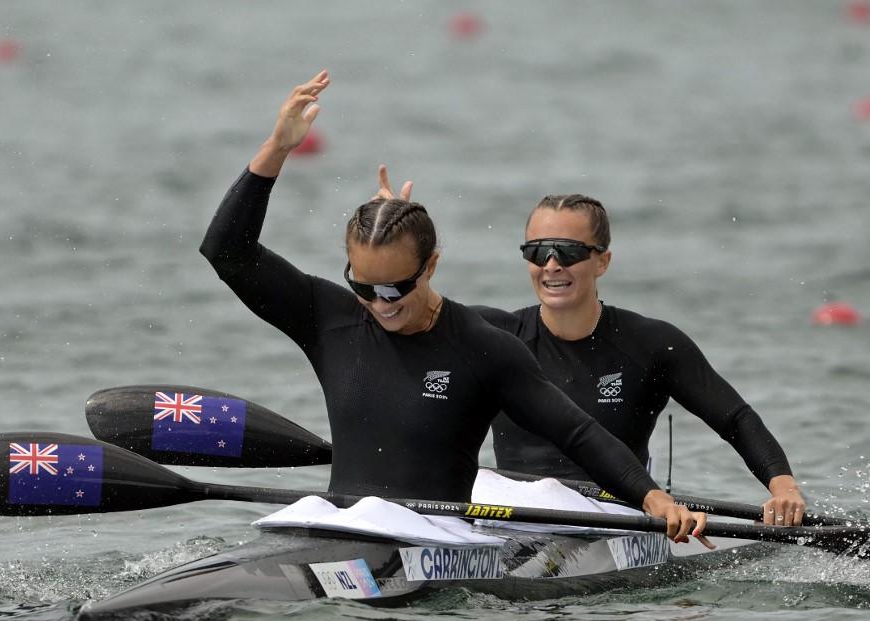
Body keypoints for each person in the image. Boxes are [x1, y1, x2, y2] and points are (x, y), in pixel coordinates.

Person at [199, 70, 711, 545]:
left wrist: (654, 499)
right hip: (342, 527)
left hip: (436, 542)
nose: (380, 304)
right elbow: (226, 252)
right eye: (364, 286)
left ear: (431, 266)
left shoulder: (481, 347)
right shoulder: (328, 316)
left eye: (396, 287)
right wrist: (276, 149)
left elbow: (576, 432)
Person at [374, 172, 806, 527]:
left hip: (613, 514)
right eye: (538, 251)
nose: (552, 265)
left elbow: (735, 418)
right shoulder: (492, 335)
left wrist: (782, 488)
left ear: (603, 261)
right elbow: (409, 314)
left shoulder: (651, 344)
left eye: (569, 251)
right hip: (509, 506)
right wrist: (395, 247)